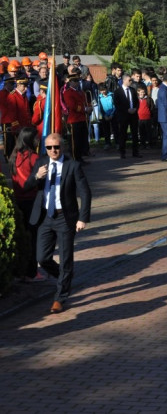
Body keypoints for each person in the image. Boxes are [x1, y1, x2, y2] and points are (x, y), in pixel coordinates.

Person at [23, 133, 92, 313]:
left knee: (66, 257)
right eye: (49, 147)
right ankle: (64, 277)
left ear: (62, 147)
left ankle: (60, 298)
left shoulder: (73, 166)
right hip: (45, 217)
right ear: (45, 148)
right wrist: (37, 176)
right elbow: (26, 186)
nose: (53, 150)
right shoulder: (41, 163)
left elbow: (85, 193)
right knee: (42, 258)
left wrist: (82, 218)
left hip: (65, 218)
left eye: (56, 147)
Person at [9, 127, 45, 281]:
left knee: (23, 235)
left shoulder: (13, 156)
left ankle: (22, 270)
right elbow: (38, 181)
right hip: (32, 199)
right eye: (36, 138)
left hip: (18, 199)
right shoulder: (34, 158)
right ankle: (32, 272)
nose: (38, 140)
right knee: (33, 236)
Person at [114, 73, 141, 159]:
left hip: (133, 115)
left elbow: (137, 102)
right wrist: (126, 110)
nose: (131, 82)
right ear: (124, 80)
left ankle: (135, 152)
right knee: (123, 134)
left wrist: (135, 109)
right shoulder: (118, 91)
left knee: (134, 134)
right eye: (129, 80)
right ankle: (122, 152)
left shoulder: (133, 90)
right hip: (123, 115)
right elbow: (117, 104)